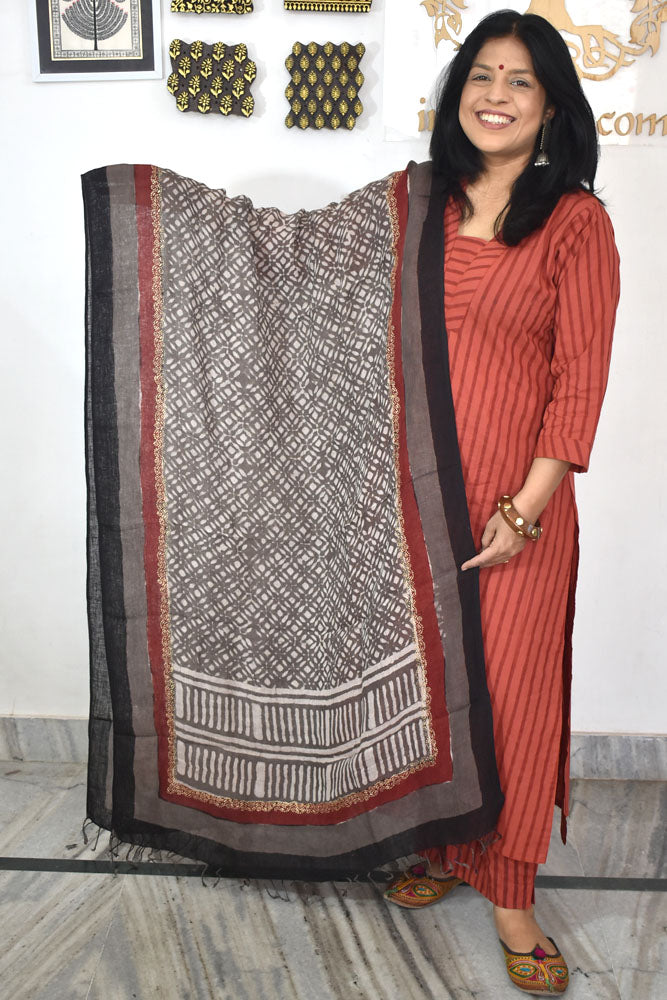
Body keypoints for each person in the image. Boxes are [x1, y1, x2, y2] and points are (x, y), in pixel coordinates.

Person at [383, 9, 620, 996]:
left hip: (516, 510)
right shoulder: (414, 202)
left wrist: (523, 510)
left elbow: (579, 381)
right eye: (482, 74)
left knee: (511, 697)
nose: (495, 94)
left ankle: (510, 893)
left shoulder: (574, 223)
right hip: (412, 498)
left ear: (551, 106)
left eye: (520, 80)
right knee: (429, 687)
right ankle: (443, 848)